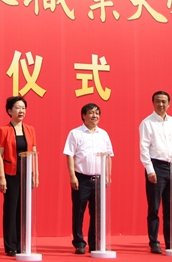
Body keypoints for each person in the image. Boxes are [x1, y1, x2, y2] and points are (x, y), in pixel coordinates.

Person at [63, 103, 114, 255]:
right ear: (83, 115)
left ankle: (95, 243)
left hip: (99, 179)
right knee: (78, 211)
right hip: (81, 178)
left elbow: (109, 156)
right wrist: (72, 176)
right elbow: (69, 155)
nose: (94, 116)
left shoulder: (103, 134)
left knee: (97, 213)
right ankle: (79, 243)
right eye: (91, 113)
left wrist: (107, 175)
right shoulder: (75, 133)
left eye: (97, 113)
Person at [139, 90, 172, 254]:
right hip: (156, 166)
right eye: (158, 101)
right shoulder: (147, 123)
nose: (161, 104)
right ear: (153, 103)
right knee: (154, 207)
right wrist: (150, 170)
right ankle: (154, 242)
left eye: (164, 101)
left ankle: (171, 241)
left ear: (169, 104)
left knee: (171, 208)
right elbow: (144, 148)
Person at [0, 96, 38, 257]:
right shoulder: (3, 130)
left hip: (26, 173)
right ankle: (11, 245)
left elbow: (34, 153)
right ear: (9, 111)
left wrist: (35, 173)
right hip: (11, 173)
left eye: (23, 108)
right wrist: (1, 177)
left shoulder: (30, 129)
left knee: (24, 209)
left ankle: (22, 244)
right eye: (18, 108)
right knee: (11, 209)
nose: (21, 111)